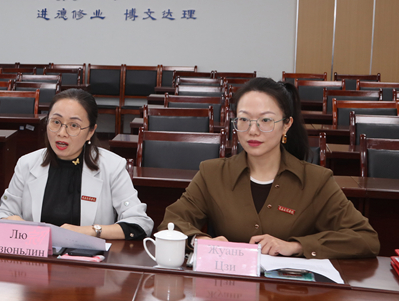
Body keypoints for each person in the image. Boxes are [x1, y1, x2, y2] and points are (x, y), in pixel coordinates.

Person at [162, 77, 379, 259]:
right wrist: (200, 240)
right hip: (227, 288)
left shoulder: (316, 180)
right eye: (244, 120)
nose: (253, 130)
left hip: (288, 291)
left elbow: (365, 238)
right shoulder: (212, 173)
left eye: (265, 120)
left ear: (286, 124)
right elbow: (171, 222)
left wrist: (297, 246)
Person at [0, 89, 151, 240]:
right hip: (36, 254)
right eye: (56, 122)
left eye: (74, 125)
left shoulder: (112, 167)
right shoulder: (27, 164)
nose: (62, 133)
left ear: (90, 132)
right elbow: (1, 214)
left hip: (88, 257)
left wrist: (90, 231)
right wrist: (13, 222)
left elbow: (139, 223)